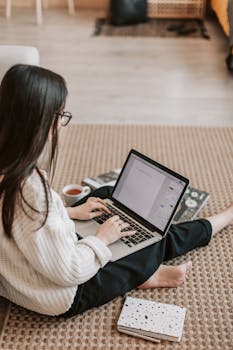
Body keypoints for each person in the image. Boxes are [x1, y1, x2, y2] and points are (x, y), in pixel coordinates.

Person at [0, 64, 232, 318]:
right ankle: (149, 270)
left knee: (106, 196)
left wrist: (69, 212)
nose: (60, 125)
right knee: (157, 237)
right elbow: (70, 270)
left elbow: (24, 225)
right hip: (60, 293)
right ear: (40, 122)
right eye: (59, 116)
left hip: (22, 273)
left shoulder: (14, 175)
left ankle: (137, 269)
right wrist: (102, 239)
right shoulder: (31, 191)